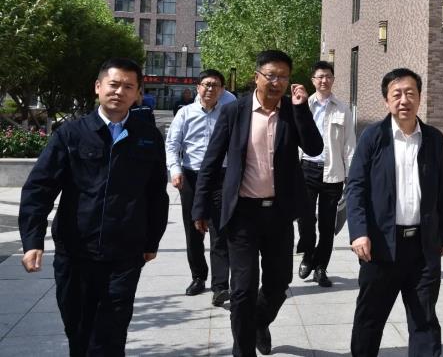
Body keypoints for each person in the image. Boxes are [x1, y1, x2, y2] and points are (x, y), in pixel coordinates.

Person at [19, 58, 169, 356]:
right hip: (76, 253)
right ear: (98, 87)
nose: (119, 92)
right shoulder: (71, 134)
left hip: (124, 255)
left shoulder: (148, 137)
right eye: (113, 84)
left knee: (111, 335)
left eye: (128, 87)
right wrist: (33, 240)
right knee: (79, 332)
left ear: (137, 93)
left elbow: (156, 194)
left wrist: (152, 240)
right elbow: (40, 187)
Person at [192, 50, 323, 356]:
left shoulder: (292, 111)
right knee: (242, 290)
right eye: (271, 75)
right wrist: (199, 206)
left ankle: (259, 322)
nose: (277, 82)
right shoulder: (234, 111)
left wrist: (302, 110)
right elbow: (211, 161)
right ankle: (243, 350)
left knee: (279, 283)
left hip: (279, 214)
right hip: (243, 214)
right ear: (257, 77)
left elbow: (314, 148)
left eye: (283, 77)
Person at [347, 68, 443, 357]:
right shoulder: (372, 137)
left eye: (410, 93)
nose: (404, 100)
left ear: (419, 98)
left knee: (424, 319)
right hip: (380, 245)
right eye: (397, 94)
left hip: (422, 247)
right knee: (370, 318)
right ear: (387, 100)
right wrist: (359, 233)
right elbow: (355, 187)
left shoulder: (434, 139)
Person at [165, 69, 236, 305]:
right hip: (191, 177)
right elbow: (172, 144)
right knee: (193, 230)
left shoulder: (228, 112)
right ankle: (198, 276)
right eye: (206, 84)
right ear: (198, 87)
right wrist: (175, 170)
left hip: (220, 177)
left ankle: (220, 286)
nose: (210, 89)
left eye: (215, 85)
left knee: (219, 231)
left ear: (222, 90)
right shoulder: (185, 113)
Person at [297, 60, 355, 287]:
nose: (324, 80)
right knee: (305, 219)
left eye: (328, 76)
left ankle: (321, 267)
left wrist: (351, 174)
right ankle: (308, 255)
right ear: (313, 80)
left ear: (333, 79)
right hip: (306, 169)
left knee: (328, 225)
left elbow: (349, 143)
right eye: (320, 76)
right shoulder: (303, 105)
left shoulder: (342, 109)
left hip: (333, 172)